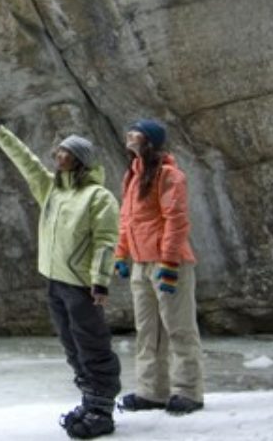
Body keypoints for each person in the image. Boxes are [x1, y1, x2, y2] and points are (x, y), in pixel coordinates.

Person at [0, 114, 121, 439]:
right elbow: (27, 163)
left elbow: (105, 242)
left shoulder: (98, 198)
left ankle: (102, 408)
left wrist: (100, 282)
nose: (56, 156)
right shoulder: (52, 191)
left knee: (92, 344)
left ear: (79, 161)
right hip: (55, 282)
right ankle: (89, 399)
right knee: (72, 345)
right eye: (57, 152)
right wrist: (0, 134)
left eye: (63, 153)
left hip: (82, 286)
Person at [113, 119, 205, 415]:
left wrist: (168, 261)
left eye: (136, 132)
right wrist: (121, 254)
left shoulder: (169, 175)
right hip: (141, 263)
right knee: (147, 331)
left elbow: (176, 220)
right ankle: (152, 391)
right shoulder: (132, 176)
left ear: (150, 140)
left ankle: (188, 391)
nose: (129, 135)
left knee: (179, 328)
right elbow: (127, 221)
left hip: (169, 262)